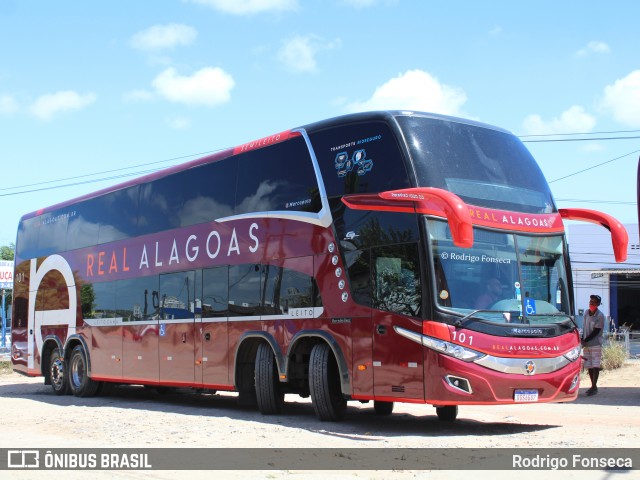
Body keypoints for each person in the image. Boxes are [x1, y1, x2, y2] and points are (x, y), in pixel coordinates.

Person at [582, 294, 605, 396]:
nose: (591, 303)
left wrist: (586, 339)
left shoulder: (600, 316)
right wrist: (583, 339)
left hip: (595, 344)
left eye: (594, 302)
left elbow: (596, 331)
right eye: (591, 301)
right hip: (587, 344)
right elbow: (584, 327)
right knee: (589, 366)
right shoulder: (586, 313)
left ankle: (594, 386)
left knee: (595, 365)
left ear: (598, 304)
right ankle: (592, 386)